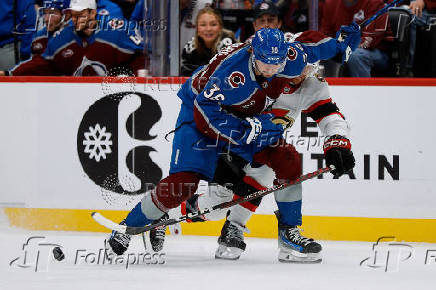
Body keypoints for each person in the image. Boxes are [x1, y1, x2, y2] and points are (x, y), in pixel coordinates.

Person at [105, 26, 360, 260]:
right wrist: (242, 137)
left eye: (278, 65)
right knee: (184, 184)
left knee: (286, 158)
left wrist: (344, 46)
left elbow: (318, 50)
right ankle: (128, 227)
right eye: (265, 65)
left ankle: (288, 232)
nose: (272, 71)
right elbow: (206, 116)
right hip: (202, 115)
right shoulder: (232, 75)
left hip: (245, 120)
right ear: (252, 52)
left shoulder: (289, 58)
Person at [0, 0, 144, 76]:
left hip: (112, 97)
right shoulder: (63, 36)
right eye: (73, 15)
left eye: (81, 15)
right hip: (76, 100)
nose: (76, 20)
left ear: (93, 13)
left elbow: (141, 56)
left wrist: (129, 78)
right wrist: (11, 73)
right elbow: (43, 63)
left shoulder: (115, 31)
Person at [320, 0, 391, 77]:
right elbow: (326, 34)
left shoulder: (374, 3)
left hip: (377, 52)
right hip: (345, 47)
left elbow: (371, 41)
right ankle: (328, 87)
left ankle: (364, 88)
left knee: (355, 55)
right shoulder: (331, 4)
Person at [181, 7, 236, 76]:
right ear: (197, 28)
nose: (208, 29)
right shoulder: (190, 48)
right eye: (203, 25)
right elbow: (185, 77)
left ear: (220, 27)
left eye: (213, 24)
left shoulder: (228, 45)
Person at [0, 0, 37, 70]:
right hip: (8, 47)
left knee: (8, 79)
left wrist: (25, 51)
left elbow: (29, 23)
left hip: (9, 48)